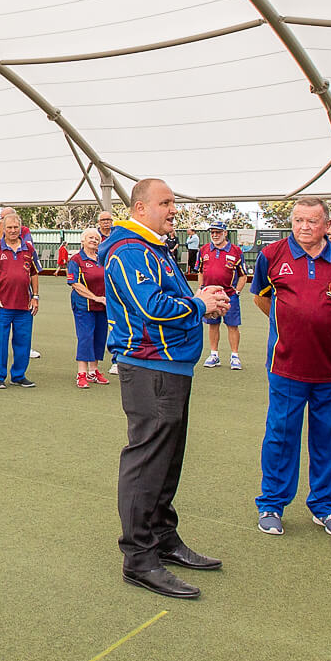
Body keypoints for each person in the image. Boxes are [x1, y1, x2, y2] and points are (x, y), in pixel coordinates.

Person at [106, 178, 229, 599]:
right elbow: (150, 307)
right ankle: (138, 559)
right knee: (147, 461)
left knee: (167, 459)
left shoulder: (153, 247)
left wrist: (199, 298)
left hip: (170, 366)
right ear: (140, 208)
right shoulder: (129, 249)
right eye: (166, 202)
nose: (173, 209)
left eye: (173, 202)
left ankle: (162, 537)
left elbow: (165, 298)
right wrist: (200, 304)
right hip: (149, 367)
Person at [251, 198, 331, 539]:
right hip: (285, 364)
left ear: (327, 225)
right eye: (298, 220)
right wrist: (292, 321)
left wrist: (324, 320)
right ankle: (271, 504)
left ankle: (325, 506)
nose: (304, 227)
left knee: (328, 437)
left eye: (312, 221)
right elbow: (262, 297)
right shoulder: (271, 255)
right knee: (281, 435)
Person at [0, 208, 40, 388]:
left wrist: (35, 296)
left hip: (24, 306)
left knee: (23, 342)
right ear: (4, 228)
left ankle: (18, 375)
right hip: (2, 305)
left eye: (16, 227)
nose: (13, 230)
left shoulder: (29, 249)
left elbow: (34, 273)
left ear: (21, 228)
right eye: (9, 227)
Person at [196, 222, 247, 370]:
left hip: (229, 296)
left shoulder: (236, 251)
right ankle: (214, 355)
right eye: (212, 232)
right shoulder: (204, 250)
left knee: (232, 325)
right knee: (212, 325)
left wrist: (237, 292)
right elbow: (200, 271)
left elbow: (243, 275)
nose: (215, 235)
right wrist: (202, 289)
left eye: (218, 232)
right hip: (210, 296)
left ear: (225, 233)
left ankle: (235, 356)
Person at [67, 227, 110, 388]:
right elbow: (75, 283)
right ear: (83, 240)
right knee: (85, 337)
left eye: (96, 238)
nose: (94, 240)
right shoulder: (76, 260)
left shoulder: (103, 258)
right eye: (90, 237)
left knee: (100, 337)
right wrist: (95, 297)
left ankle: (93, 371)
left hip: (102, 306)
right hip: (83, 306)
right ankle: (81, 373)